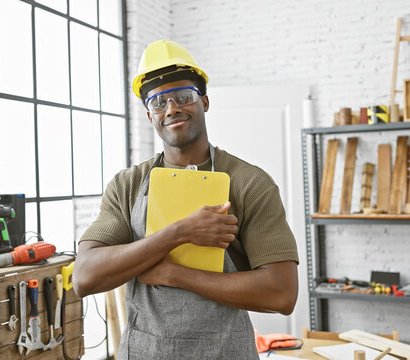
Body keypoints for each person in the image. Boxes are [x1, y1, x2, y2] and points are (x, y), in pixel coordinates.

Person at [74, 39, 299, 359]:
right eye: (158, 102)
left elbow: (281, 293)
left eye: (184, 97)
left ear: (204, 101)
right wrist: (178, 233)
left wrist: (175, 274)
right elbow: (84, 277)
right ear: (149, 114)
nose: (172, 109)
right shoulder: (128, 185)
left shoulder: (250, 183)